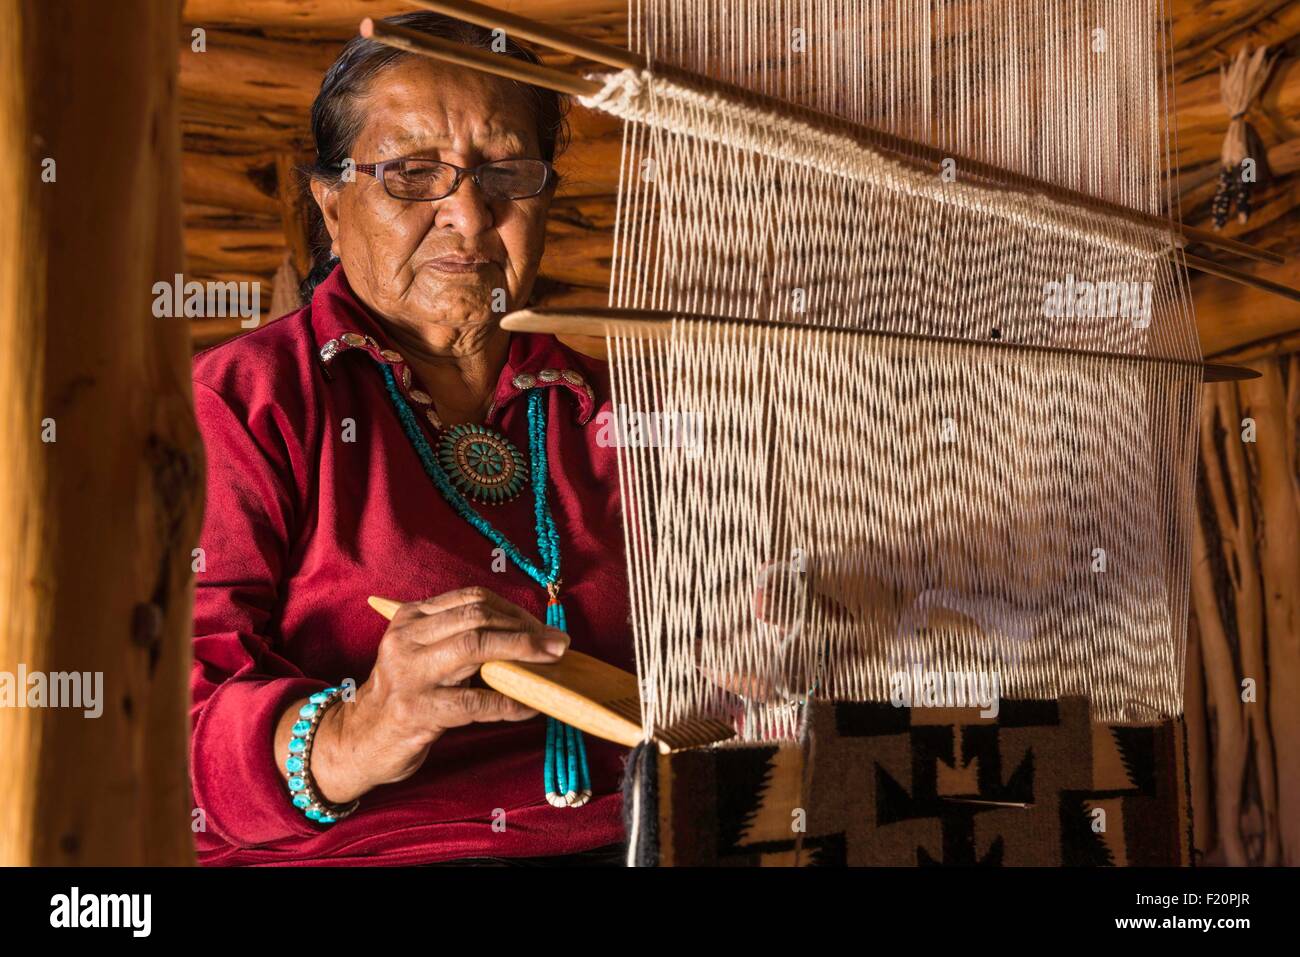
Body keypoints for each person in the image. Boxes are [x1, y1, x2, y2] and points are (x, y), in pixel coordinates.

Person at [189, 11, 630, 865]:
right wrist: (363, 729)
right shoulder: (245, 405)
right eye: (412, 173)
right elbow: (177, 716)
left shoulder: (613, 413)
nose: (468, 212)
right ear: (330, 204)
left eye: (505, 170)